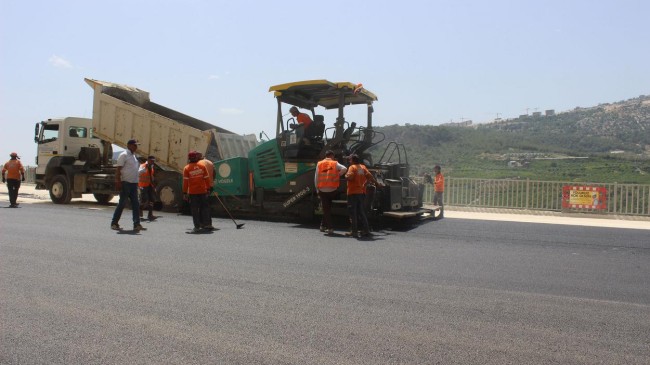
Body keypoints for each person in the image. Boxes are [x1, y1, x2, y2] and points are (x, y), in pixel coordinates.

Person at [111, 139, 146, 231]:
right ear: (129, 145)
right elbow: (118, 169)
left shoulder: (134, 156)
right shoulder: (124, 155)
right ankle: (114, 223)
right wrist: (118, 181)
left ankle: (136, 224)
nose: (136, 147)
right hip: (126, 183)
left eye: (136, 145)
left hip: (134, 183)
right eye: (134, 145)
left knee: (136, 204)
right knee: (122, 203)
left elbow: (134, 169)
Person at [345, 154, 381, 238]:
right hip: (361, 192)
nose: (349, 161)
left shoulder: (352, 167)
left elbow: (350, 177)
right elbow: (370, 177)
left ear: (352, 160)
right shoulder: (362, 167)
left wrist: (345, 175)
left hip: (352, 192)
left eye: (350, 160)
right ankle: (366, 230)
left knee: (353, 213)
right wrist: (369, 184)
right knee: (361, 212)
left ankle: (354, 232)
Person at [315, 150, 347, 235]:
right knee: (327, 208)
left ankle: (328, 227)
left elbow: (316, 178)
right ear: (331, 156)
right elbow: (344, 168)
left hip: (322, 190)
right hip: (332, 190)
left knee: (326, 209)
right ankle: (325, 226)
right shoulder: (334, 163)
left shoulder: (319, 164)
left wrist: (317, 190)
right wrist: (338, 175)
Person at [183, 151, 214, 232]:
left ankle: (197, 226)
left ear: (189, 158)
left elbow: (185, 182)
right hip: (203, 191)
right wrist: (208, 188)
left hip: (193, 192)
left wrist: (184, 193)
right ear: (197, 157)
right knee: (205, 208)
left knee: (194, 210)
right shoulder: (202, 166)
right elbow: (207, 178)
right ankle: (207, 224)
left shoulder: (186, 168)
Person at [138, 155, 158, 220]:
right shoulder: (143, 166)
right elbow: (139, 173)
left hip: (150, 185)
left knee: (151, 199)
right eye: (152, 161)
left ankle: (150, 214)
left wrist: (153, 185)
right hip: (143, 185)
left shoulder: (152, 167)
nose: (153, 162)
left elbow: (151, 176)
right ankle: (140, 209)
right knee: (144, 199)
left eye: (153, 161)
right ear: (148, 160)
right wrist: (145, 168)